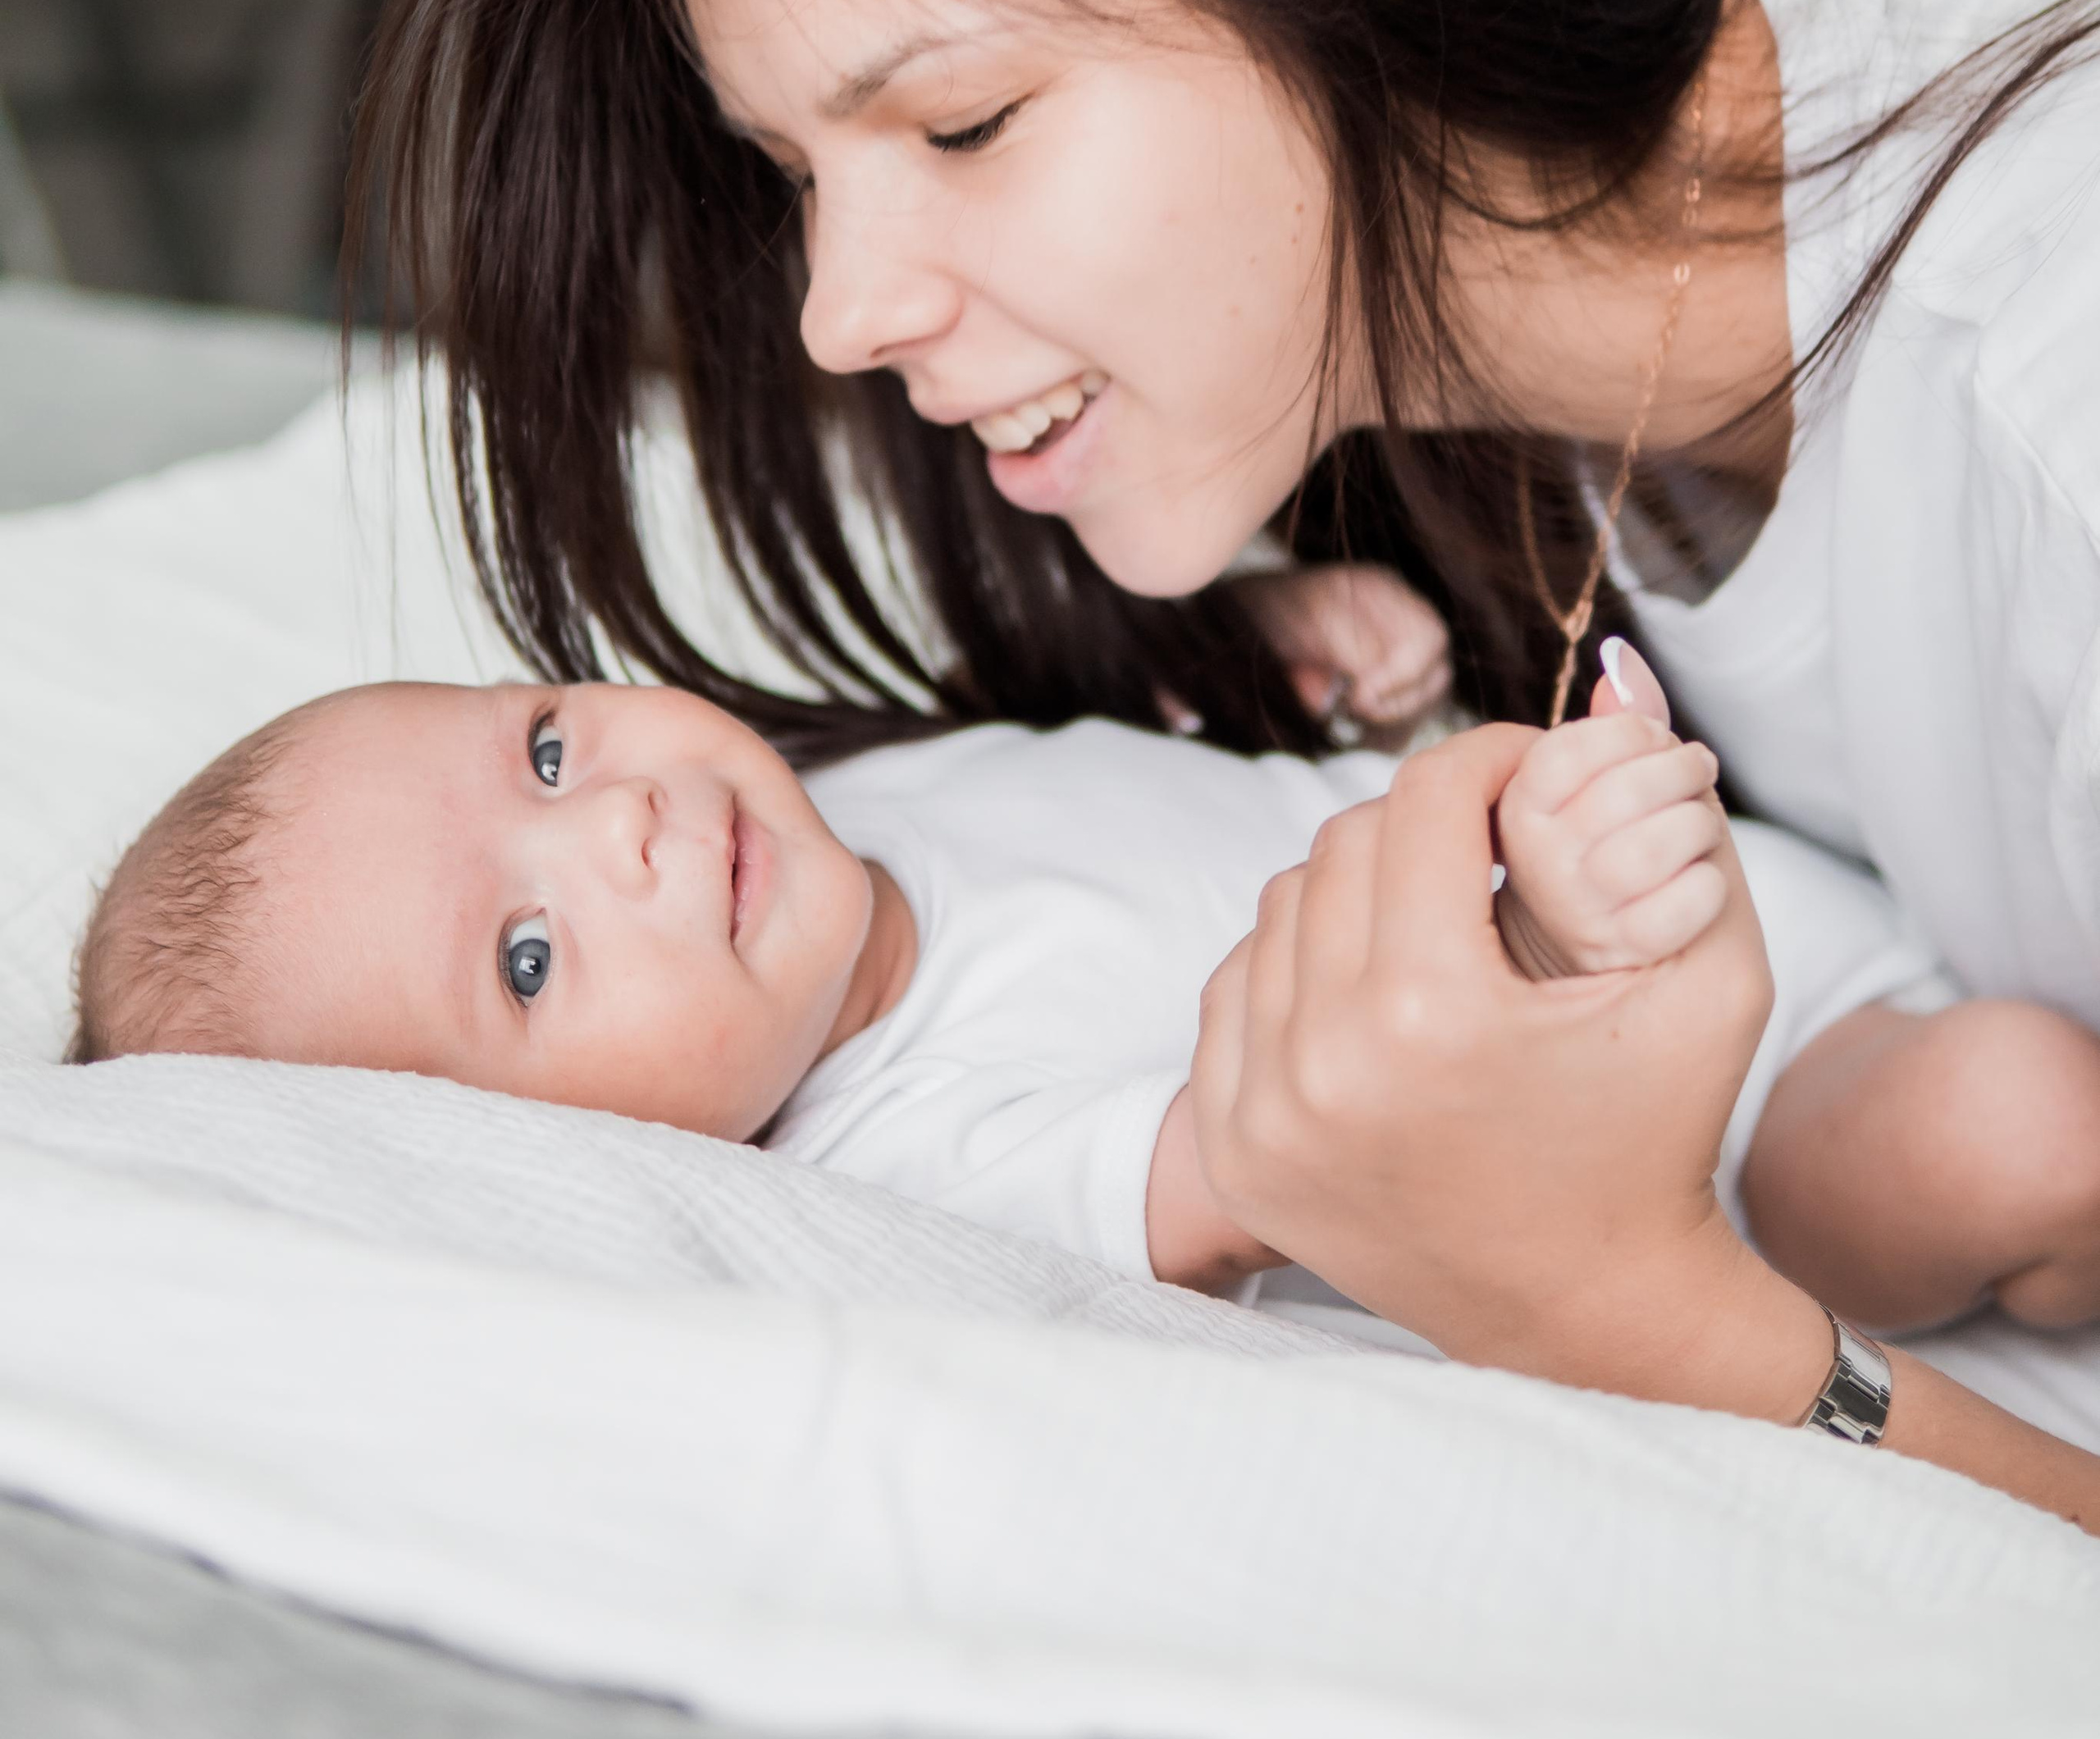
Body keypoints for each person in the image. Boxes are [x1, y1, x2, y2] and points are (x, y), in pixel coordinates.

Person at [354, 0, 2100, 1518]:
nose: (836, 313)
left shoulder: (2053, 383)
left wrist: (1640, 1317)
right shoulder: (1559, 253)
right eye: (802, 173)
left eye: (965, 121)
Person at [67, 658, 2100, 1347]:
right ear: (552, 1159)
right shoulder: (914, 1164)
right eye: (525, 961)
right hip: (1735, 1133)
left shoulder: (852, 803)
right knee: (2019, 1116)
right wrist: (1553, 942)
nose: (623, 833)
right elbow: (1315, 1139)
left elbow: (1178, 789)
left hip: (1746, 865)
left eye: (538, 752)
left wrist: (1315, 656)